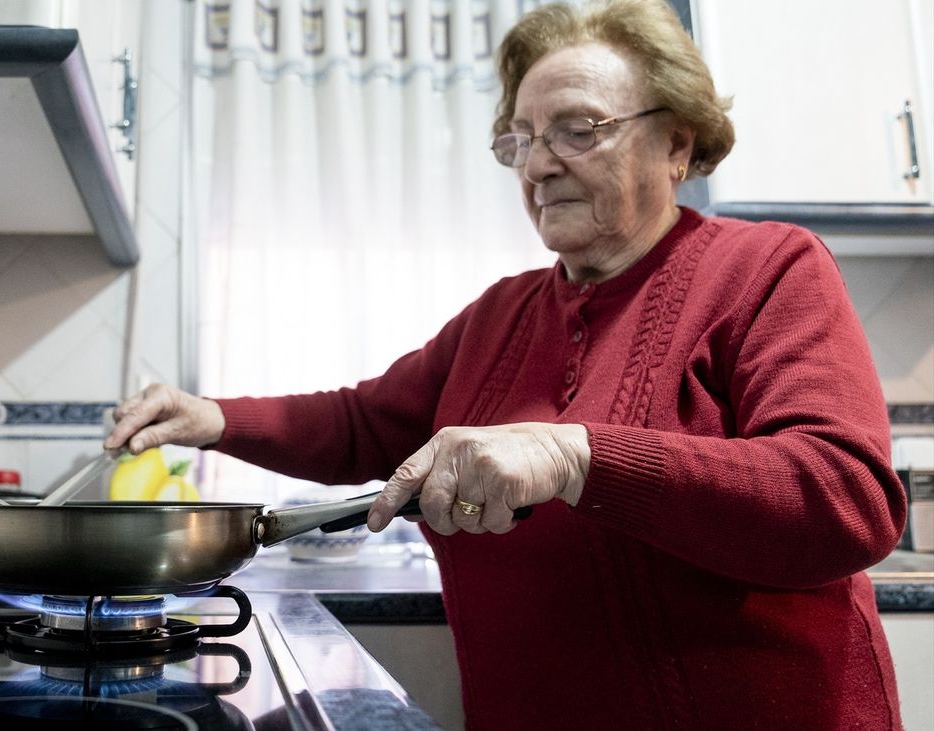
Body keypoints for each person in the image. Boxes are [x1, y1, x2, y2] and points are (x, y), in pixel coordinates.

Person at [105, 0, 908, 727]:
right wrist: (213, 419)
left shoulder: (768, 268)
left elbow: (846, 495)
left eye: (578, 129)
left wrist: (574, 454)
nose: (536, 165)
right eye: (520, 139)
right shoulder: (502, 313)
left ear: (678, 141)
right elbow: (363, 423)